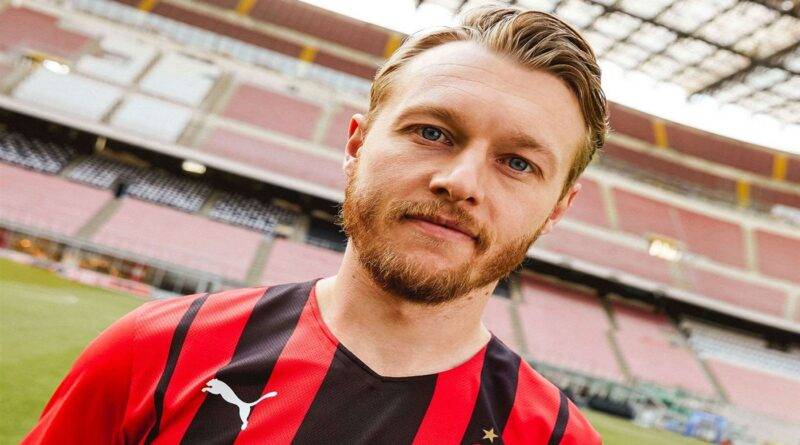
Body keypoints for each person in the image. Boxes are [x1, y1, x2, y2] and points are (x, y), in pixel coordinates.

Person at [24, 5, 607, 444]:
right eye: (432, 132)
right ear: (356, 145)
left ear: (557, 208)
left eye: (518, 163)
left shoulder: (556, 438)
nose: (461, 181)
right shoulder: (155, 351)